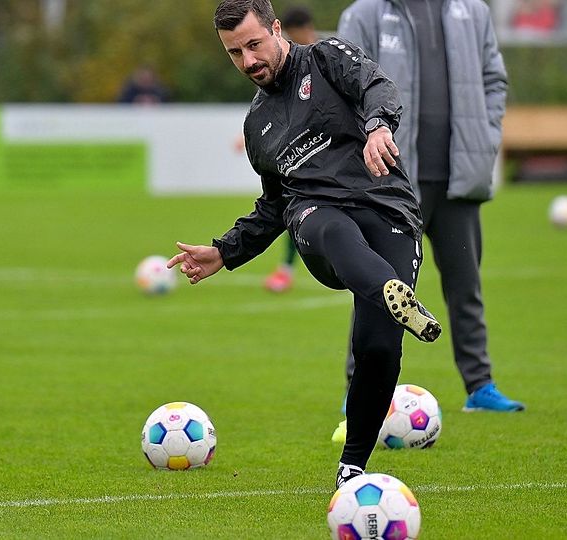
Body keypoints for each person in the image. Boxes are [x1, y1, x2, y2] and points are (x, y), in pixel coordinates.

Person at [168, 0, 441, 489]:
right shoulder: (258, 127)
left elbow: (378, 86)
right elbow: (274, 206)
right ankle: (390, 292)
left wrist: (378, 126)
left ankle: (352, 468)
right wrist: (225, 250)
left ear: (276, 29)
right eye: (235, 53)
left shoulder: (326, 58)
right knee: (330, 227)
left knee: (378, 347)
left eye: (254, 44)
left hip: (388, 208)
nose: (248, 61)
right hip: (318, 222)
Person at [334, 0, 524, 439]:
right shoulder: (365, 14)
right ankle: (355, 392)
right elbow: (340, 87)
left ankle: (479, 385)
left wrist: (487, 132)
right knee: (379, 288)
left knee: (465, 287)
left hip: (459, 178)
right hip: (391, 183)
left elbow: (494, 80)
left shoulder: (472, 11)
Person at [262, 5, 317, 293]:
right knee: (295, 205)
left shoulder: (326, 56)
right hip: (297, 152)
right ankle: (286, 269)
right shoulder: (283, 63)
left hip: (329, 153)